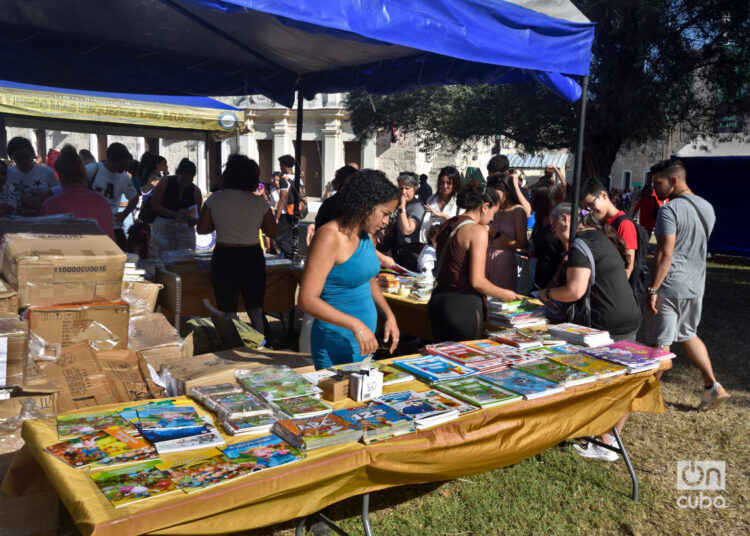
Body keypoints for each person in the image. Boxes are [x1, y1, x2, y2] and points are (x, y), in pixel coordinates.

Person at [538, 203, 642, 462]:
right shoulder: (601, 237)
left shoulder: (580, 244)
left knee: (605, 383)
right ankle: (608, 437)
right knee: (623, 383)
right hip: (628, 316)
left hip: (607, 323)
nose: (553, 233)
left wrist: (547, 294)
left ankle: (603, 440)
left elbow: (574, 290)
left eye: (553, 227)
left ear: (564, 219)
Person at [646, 158, 729, 411]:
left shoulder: (669, 210)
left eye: (658, 183)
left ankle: (643, 398)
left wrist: (653, 289)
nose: (654, 189)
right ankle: (712, 386)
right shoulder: (707, 207)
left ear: (673, 180)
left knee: (660, 343)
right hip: (695, 284)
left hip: (671, 286)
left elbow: (665, 254)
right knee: (687, 334)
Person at [299, 169, 400, 369]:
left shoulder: (366, 236)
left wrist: (389, 315)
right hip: (335, 344)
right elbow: (306, 300)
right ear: (366, 205)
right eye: (385, 213)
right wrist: (355, 324)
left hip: (363, 343)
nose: (386, 221)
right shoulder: (329, 236)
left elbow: (368, 279)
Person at [428, 180, 522, 342]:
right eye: (493, 212)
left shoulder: (449, 223)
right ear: (485, 207)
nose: (493, 218)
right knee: (465, 361)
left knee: (442, 359)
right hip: (462, 305)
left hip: (438, 301)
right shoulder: (477, 231)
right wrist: (505, 293)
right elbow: (477, 281)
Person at [198, 154, 277, 336]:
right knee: (256, 309)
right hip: (252, 255)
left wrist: (220, 222)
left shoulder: (214, 199)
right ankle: (263, 345)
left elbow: (202, 229)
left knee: (228, 309)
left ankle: (233, 345)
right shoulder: (259, 202)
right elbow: (273, 232)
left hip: (225, 256)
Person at [39, 145, 115, 240]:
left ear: (60, 175)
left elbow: (43, 239)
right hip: (99, 253)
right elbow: (110, 239)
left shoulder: (51, 204)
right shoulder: (102, 202)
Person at [579, 178, 638, 279]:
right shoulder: (600, 221)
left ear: (603, 195)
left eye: (591, 205)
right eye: (586, 209)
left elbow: (628, 267)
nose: (590, 211)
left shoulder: (624, 224)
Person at [86, 142, 138, 249]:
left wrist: (124, 214)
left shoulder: (123, 177)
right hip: (89, 225)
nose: (124, 168)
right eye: (121, 165)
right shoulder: (93, 169)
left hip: (111, 226)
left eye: (126, 165)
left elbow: (134, 198)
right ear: (110, 159)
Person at [149, 158, 203, 258]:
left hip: (184, 229)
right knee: (163, 258)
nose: (185, 184)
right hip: (164, 226)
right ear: (178, 174)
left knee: (185, 260)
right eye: (183, 180)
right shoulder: (166, 181)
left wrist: (190, 217)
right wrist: (175, 214)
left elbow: (195, 219)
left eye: (189, 181)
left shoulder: (195, 191)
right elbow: (154, 204)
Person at [485, 173, 528, 290]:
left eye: (496, 192)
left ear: (507, 191)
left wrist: (496, 233)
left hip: (505, 260)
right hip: (487, 257)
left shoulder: (518, 211)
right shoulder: (493, 209)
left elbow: (521, 245)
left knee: (501, 303)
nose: (493, 196)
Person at [6, 136, 59, 215]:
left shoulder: (47, 172)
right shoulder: (7, 173)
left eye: (26, 157)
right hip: (16, 220)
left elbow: (59, 194)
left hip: (43, 218)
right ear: (12, 157)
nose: (24, 161)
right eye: (19, 158)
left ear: (32, 153)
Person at [529, 181, 565, 291]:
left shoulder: (561, 222)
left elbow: (567, 256)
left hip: (554, 281)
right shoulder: (540, 218)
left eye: (533, 198)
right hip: (539, 276)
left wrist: (554, 280)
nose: (530, 201)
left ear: (544, 201)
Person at [419, 166, 463, 243]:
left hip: (449, 245)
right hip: (431, 246)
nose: (445, 186)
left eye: (448, 183)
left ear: (455, 184)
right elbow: (426, 225)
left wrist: (444, 216)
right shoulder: (431, 199)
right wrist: (423, 243)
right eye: (442, 182)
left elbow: (461, 227)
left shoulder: (459, 203)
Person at [393, 172, 426, 272]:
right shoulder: (399, 203)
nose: (403, 192)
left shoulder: (417, 206)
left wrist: (402, 208)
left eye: (407, 188)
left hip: (411, 251)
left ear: (415, 189)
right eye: (401, 188)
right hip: (398, 249)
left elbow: (407, 230)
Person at [274, 154, 299, 259]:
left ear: (284, 166)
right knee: (289, 239)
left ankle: (292, 258)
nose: (280, 167)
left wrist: (277, 217)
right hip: (295, 212)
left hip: (285, 213)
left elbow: (282, 198)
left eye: (280, 165)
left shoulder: (284, 179)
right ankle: (291, 259)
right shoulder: (298, 178)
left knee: (280, 239)